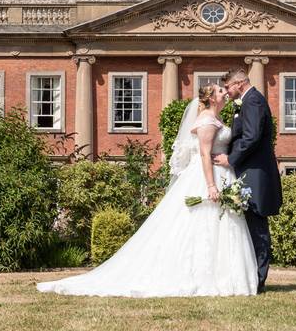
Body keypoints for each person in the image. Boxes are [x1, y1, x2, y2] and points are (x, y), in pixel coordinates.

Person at [36, 84, 258, 297]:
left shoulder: (216, 118)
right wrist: (211, 185)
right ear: (211, 98)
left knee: (219, 226)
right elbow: (203, 154)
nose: (225, 93)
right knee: (203, 224)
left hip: (223, 174)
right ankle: (203, 277)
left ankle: (222, 277)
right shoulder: (207, 120)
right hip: (207, 177)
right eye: (220, 91)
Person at [214, 68, 282, 294]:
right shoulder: (248, 101)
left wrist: (230, 159)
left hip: (255, 174)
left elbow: (251, 137)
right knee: (250, 226)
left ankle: (258, 280)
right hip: (248, 172)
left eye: (229, 87)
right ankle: (251, 277)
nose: (227, 92)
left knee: (257, 226)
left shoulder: (253, 101)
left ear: (240, 83)